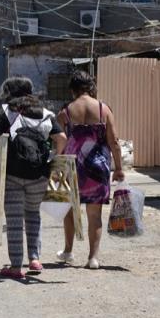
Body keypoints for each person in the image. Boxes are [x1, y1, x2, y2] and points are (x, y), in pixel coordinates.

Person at [0, 77, 67, 279]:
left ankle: (15, 266)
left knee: (14, 220)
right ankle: (34, 259)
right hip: (39, 174)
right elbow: (61, 138)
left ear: (9, 93)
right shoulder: (45, 113)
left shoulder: (5, 112)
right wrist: (53, 157)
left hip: (12, 173)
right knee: (32, 214)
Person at [56, 70, 124, 269]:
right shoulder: (104, 109)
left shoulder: (65, 112)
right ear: (91, 87)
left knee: (68, 210)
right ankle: (93, 258)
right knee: (94, 214)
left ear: (73, 89)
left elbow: (59, 143)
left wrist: (57, 167)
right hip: (98, 167)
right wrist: (118, 168)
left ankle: (68, 251)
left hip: (72, 166)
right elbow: (114, 142)